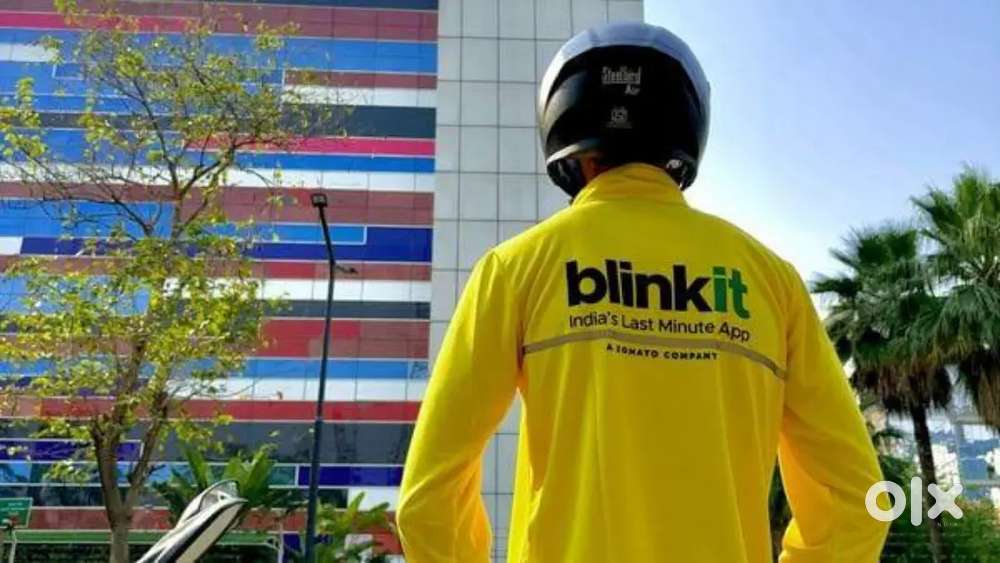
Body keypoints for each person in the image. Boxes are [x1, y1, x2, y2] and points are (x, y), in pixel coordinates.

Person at [397, 21, 890, 562]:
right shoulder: (770, 281)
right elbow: (857, 500)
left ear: (565, 130)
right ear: (686, 128)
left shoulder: (516, 269)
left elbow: (428, 500)